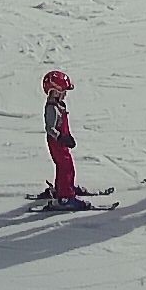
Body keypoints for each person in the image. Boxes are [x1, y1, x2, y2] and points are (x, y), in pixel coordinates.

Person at [40, 69, 90, 209]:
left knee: (65, 166)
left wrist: (67, 137)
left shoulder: (59, 105)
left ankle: (64, 187)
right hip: (56, 143)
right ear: (55, 92)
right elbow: (50, 128)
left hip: (61, 142)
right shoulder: (52, 108)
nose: (65, 94)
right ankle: (65, 197)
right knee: (66, 167)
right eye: (63, 92)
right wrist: (61, 137)